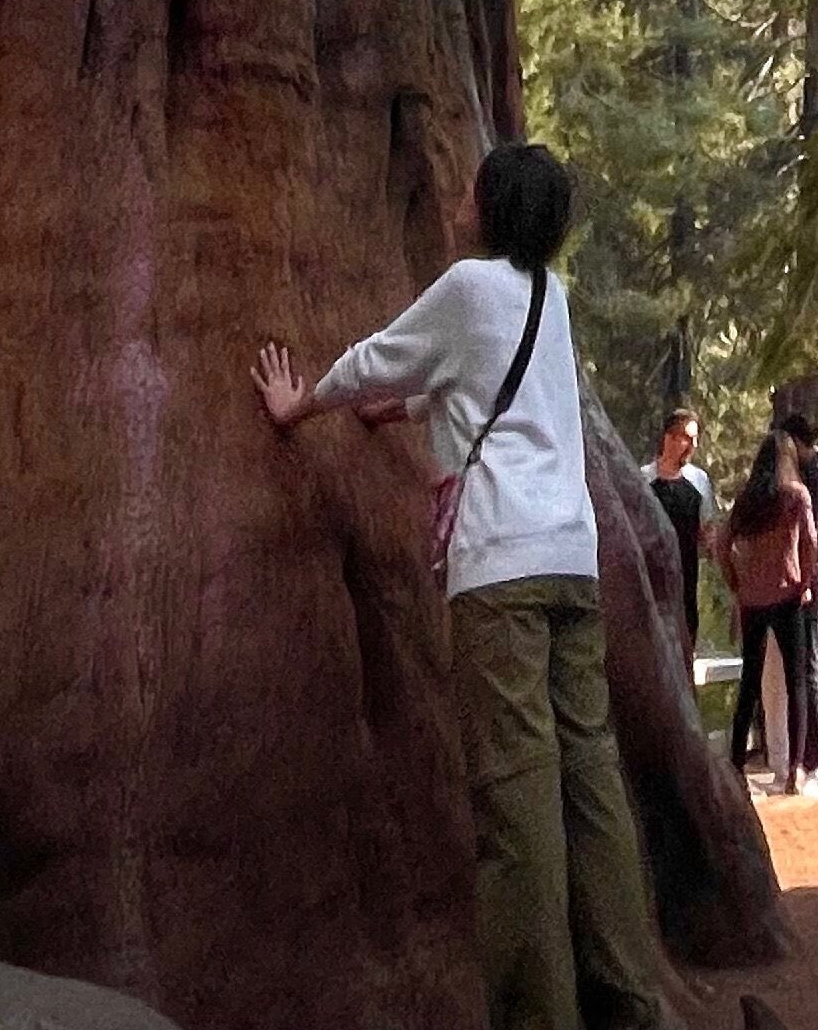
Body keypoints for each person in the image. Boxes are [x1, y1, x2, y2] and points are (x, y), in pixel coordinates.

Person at [253, 140, 665, 1030]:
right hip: (570, 567)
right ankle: (633, 1006)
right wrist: (408, 409)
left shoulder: (469, 288)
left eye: (473, 189)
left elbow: (379, 355)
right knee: (592, 792)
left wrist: (304, 403)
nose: (458, 199)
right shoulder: (549, 300)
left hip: (503, 576)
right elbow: (510, 397)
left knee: (517, 806)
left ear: (494, 206)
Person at [718, 429, 818, 798]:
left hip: (752, 601)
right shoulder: (795, 496)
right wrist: (805, 582)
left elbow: (720, 545)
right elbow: (810, 543)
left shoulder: (746, 501)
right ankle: (795, 770)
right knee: (797, 682)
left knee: (748, 683)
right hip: (788, 597)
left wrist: (736, 583)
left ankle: (735, 766)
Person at [778, 408, 818, 796]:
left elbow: (812, 529)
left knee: (811, 669)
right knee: (807, 667)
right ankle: (810, 756)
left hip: (815, 572)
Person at [645, 407, 714, 659]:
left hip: (686, 573)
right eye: (686, 437)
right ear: (669, 438)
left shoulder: (699, 481)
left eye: (695, 439)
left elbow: (708, 528)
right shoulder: (644, 480)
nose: (692, 445)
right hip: (652, 572)